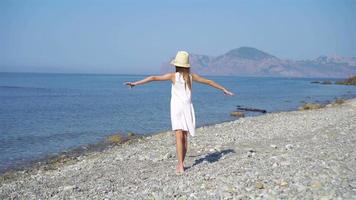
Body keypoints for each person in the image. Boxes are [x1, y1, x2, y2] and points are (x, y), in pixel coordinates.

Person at [124, 51, 234, 174]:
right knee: (185, 137)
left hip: (176, 108)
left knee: (178, 136)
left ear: (176, 65)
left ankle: (180, 165)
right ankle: (181, 164)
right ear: (187, 65)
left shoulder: (173, 76)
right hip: (187, 107)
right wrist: (224, 89)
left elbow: (153, 78)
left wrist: (135, 83)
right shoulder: (192, 77)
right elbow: (209, 82)